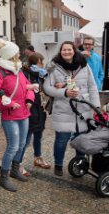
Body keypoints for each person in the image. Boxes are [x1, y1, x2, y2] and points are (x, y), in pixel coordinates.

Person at [43, 41, 100, 176]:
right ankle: (58, 164)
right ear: (60, 52)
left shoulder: (84, 66)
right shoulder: (54, 67)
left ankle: (80, 165)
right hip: (63, 110)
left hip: (82, 110)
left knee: (81, 140)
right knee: (61, 140)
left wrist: (96, 107)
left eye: (69, 49)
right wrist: (64, 92)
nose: (67, 52)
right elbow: (47, 88)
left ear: (74, 51)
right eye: (64, 50)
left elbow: (92, 87)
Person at [0, 38, 34, 192]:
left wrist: (30, 97)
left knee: (22, 144)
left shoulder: (19, 69)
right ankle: (4, 177)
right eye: (16, 53)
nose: (19, 55)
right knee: (13, 146)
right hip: (10, 115)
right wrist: (8, 104)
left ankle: (15, 169)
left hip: (24, 112)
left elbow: (26, 87)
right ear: (11, 55)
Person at [20, 52, 50, 177]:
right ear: (35, 62)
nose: (42, 65)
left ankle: (37, 157)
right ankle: (18, 163)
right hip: (30, 107)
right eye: (40, 62)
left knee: (38, 134)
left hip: (40, 108)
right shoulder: (26, 73)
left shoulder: (42, 75)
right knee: (26, 138)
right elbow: (23, 89)